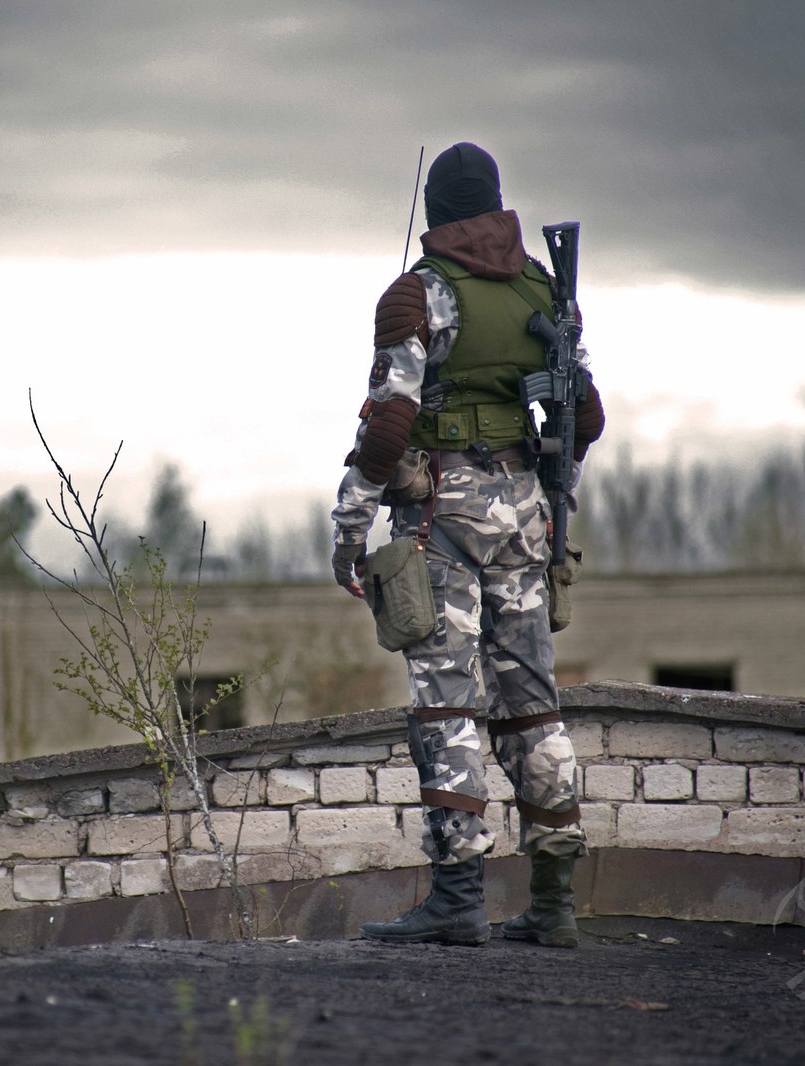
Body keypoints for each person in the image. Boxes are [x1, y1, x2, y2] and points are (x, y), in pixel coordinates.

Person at [331, 142, 605, 948]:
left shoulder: (417, 296)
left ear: (434, 213)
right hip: (526, 512)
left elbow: (388, 423)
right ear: (494, 204)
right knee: (532, 703)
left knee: (446, 700)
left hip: (440, 517)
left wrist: (349, 531)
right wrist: (553, 488)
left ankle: (457, 899)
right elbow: (583, 418)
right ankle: (554, 904)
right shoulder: (543, 290)